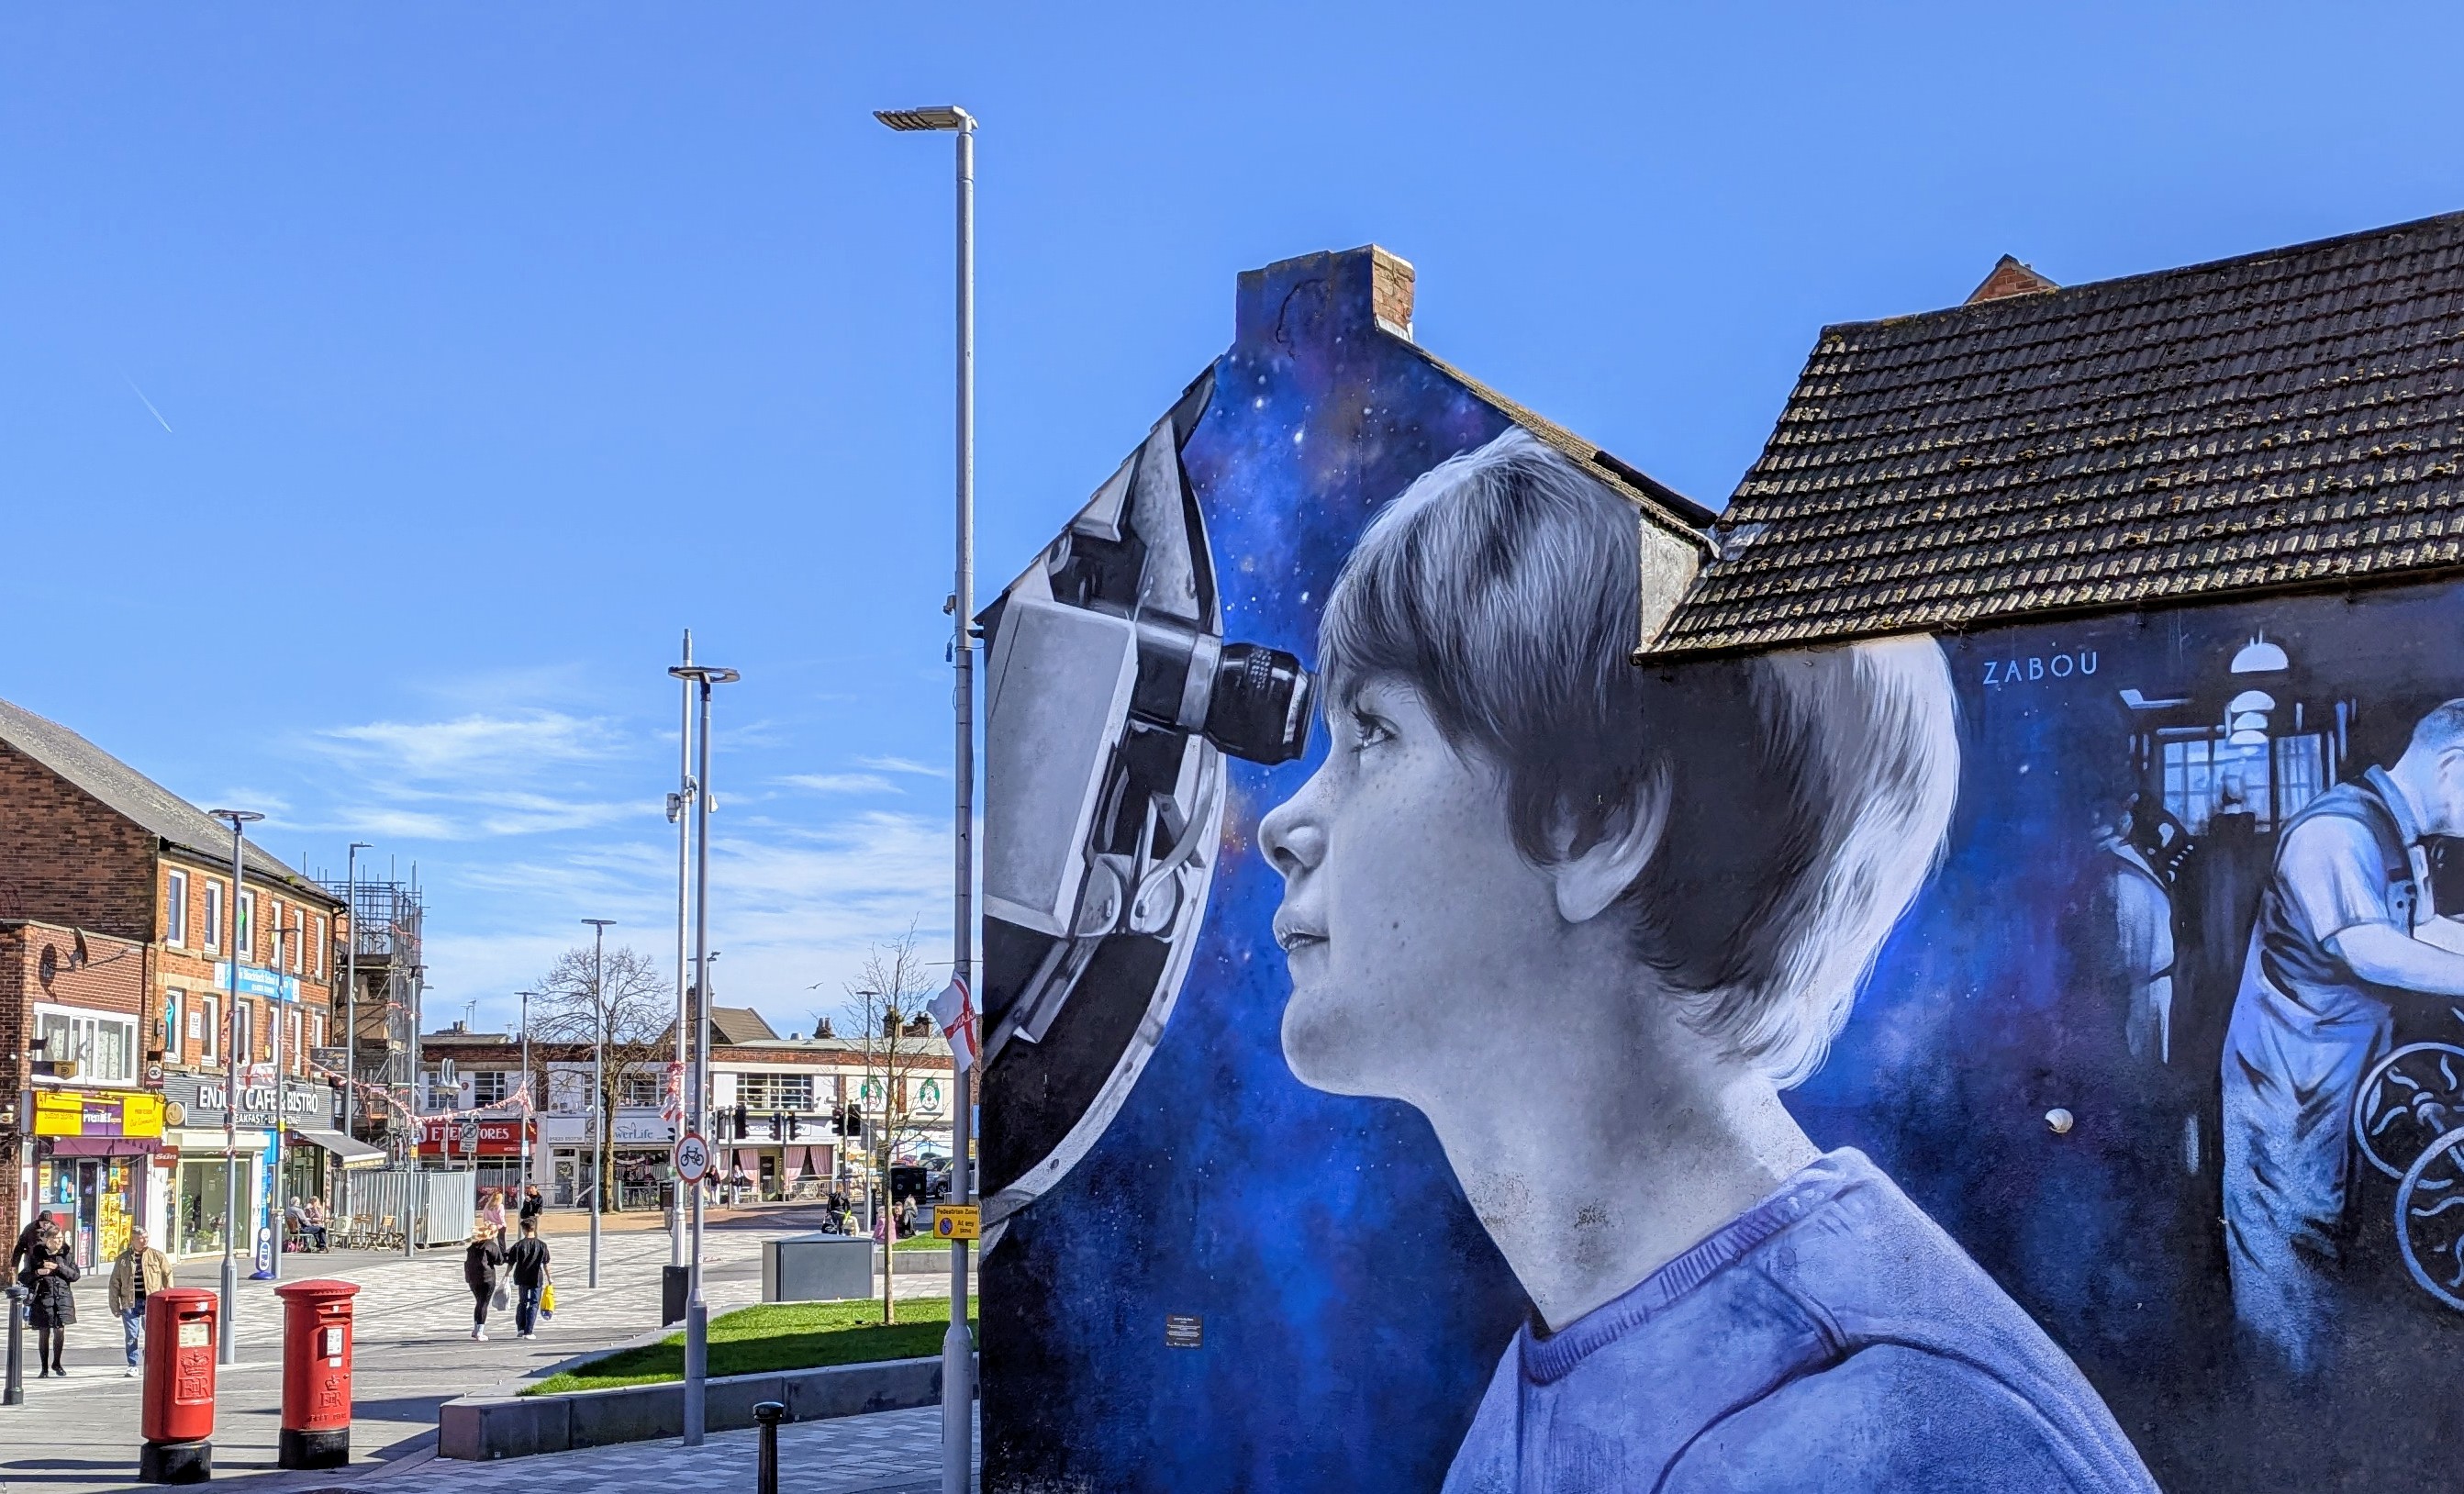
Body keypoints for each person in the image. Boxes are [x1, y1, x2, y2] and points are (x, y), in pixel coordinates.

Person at [1255, 429, 2157, 1493]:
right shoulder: (1568, 1384)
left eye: (1371, 734)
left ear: (1597, 821)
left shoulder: (1894, 1440)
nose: (1285, 823)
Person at [2220, 702, 2464, 1374]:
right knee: (2287, 1238)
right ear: (2452, 767)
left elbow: (2421, 929)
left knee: (2326, 1233)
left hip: (2341, 1073)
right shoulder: (2334, 831)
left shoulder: (2396, 832)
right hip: (2288, 1078)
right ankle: (2278, 1416)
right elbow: (2371, 950)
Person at [108, 1226, 173, 1377]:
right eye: (140, 1238)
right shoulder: (123, 1259)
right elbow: (114, 1282)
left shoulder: (157, 1256)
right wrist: (114, 1305)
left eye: (146, 1237)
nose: (144, 1241)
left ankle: (151, 1359)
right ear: (132, 1240)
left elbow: (168, 1276)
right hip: (130, 1302)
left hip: (152, 1302)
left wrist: (168, 1299)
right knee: (131, 1334)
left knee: (153, 1334)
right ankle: (132, 1364)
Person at [17, 1221, 79, 1377]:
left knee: (59, 1331)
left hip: (62, 1299)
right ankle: (44, 1368)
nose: (59, 1241)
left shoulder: (67, 1255)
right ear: (47, 1240)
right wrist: (38, 1273)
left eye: (61, 1238)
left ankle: (57, 1363)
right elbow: (23, 1276)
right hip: (43, 1299)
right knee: (44, 1333)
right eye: (56, 1239)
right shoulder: (36, 1255)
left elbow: (75, 1275)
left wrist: (59, 1267)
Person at [505, 1217, 552, 1340]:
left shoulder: (519, 1245)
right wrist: (549, 1278)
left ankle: (521, 1328)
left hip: (522, 1276)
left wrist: (506, 1274)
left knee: (522, 1302)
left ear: (524, 1230)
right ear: (534, 1228)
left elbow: (511, 1262)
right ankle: (529, 1331)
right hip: (536, 1277)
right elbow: (546, 1264)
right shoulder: (542, 1245)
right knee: (534, 1303)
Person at [463, 1229, 506, 1342]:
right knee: (484, 1304)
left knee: (479, 1302)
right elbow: (500, 1261)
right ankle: (480, 1332)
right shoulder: (491, 1245)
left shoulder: (473, 1246)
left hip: (473, 1278)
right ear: (492, 1234)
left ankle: (476, 1329)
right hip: (487, 1278)